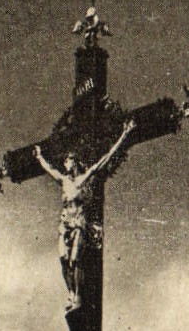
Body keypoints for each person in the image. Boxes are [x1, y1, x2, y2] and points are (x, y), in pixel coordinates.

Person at [34, 119, 135, 309]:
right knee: (63, 259)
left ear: (75, 162)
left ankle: (77, 296)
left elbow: (104, 159)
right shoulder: (64, 180)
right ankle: (71, 293)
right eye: (65, 161)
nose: (65, 164)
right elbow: (49, 169)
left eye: (68, 161)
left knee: (74, 260)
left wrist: (124, 135)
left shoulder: (84, 178)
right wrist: (39, 156)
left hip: (79, 222)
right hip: (65, 222)